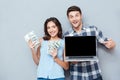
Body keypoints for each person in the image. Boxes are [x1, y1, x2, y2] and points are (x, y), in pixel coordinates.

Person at [64, 5, 116, 80]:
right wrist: (71, 60)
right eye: (71, 17)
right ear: (68, 19)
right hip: (77, 76)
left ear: (81, 16)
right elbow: (67, 58)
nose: (74, 19)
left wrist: (112, 44)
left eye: (76, 15)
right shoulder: (67, 35)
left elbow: (108, 42)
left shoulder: (92, 30)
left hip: (94, 74)